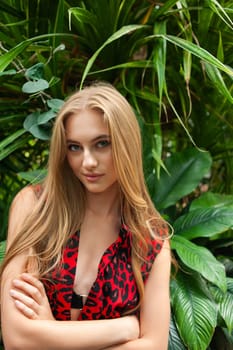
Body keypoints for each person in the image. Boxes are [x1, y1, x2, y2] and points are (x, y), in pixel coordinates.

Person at [0, 82, 171, 350]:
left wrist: (49, 333)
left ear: (127, 144)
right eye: (74, 147)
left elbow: (155, 346)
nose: (87, 162)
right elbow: (17, 339)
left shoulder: (149, 241)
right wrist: (124, 328)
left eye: (101, 144)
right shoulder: (34, 209)